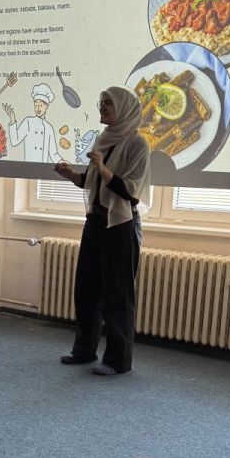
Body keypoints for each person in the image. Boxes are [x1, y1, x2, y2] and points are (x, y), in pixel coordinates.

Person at [53, 85, 149, 375]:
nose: (102, 108)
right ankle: (84, 351)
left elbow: (131, 192)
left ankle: (118, 361)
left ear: (124, 109)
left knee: (118, 296)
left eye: (108, 103)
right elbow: (92, 183)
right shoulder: (103, 139)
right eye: (101, 103)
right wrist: (71, 175)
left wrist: (103, 167)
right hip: (95, 223)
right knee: (86, 290)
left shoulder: (137, 144)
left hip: (120, 225)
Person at [3, 83, 59, 163]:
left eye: (41, 105)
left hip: (43, 168)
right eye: (36, 105)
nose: (38, 108)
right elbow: (14, 141)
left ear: (46, 106)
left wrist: (63, 162)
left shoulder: (49, 128)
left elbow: (54, 154)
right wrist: (12, 120)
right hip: (29, 167)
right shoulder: (28, 122)